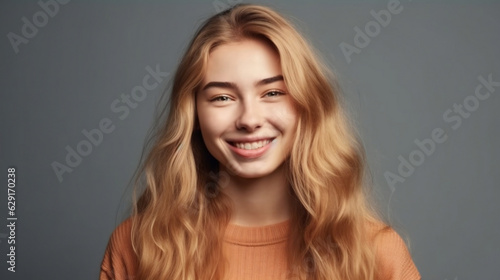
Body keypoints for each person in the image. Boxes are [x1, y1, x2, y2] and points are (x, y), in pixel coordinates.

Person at [100, 4, 421, 280]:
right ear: (194, 114)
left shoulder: (376, 252)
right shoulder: (138, 245)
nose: (249, 119)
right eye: (222, 97)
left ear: (307, 106)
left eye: (272, 93)